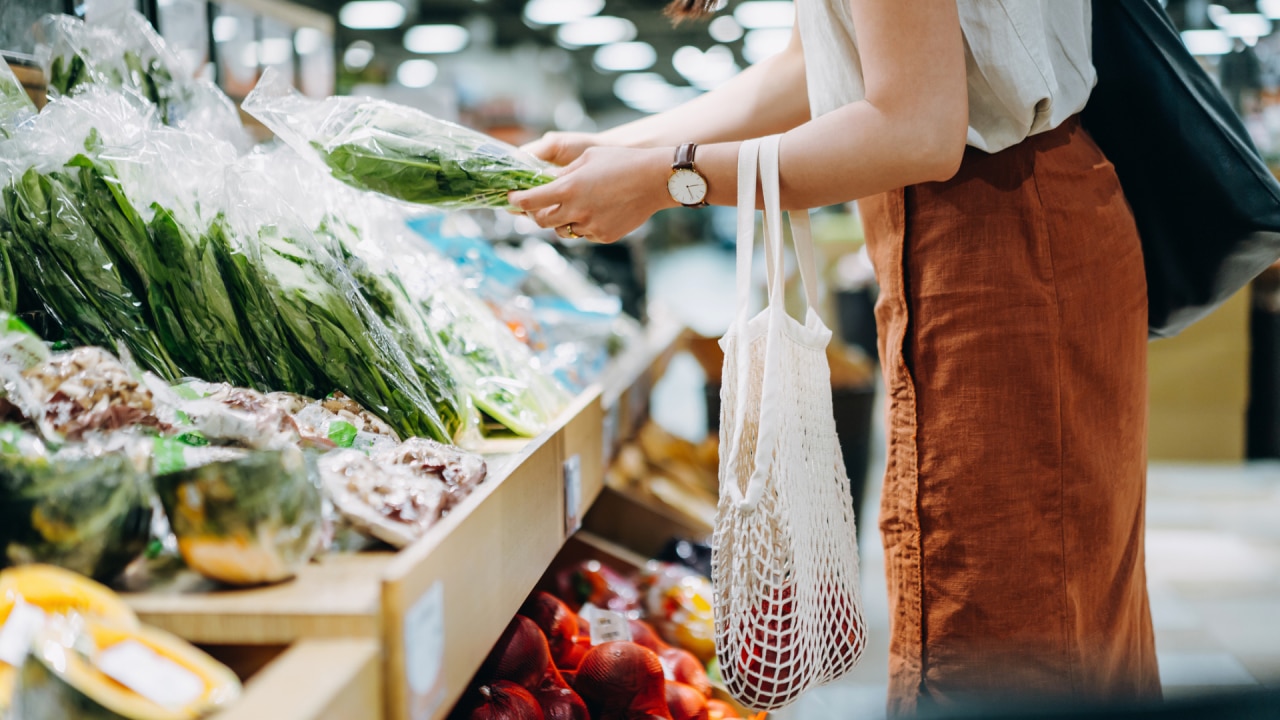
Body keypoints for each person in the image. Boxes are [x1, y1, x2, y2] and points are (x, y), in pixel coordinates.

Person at [510, 0, 1160, 715]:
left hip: (999, 239)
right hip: (988, 226)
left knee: (1010, 629)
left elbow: (915, 127)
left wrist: (668, 178)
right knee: (1045, 607)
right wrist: (612, 150)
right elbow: (805, 68)